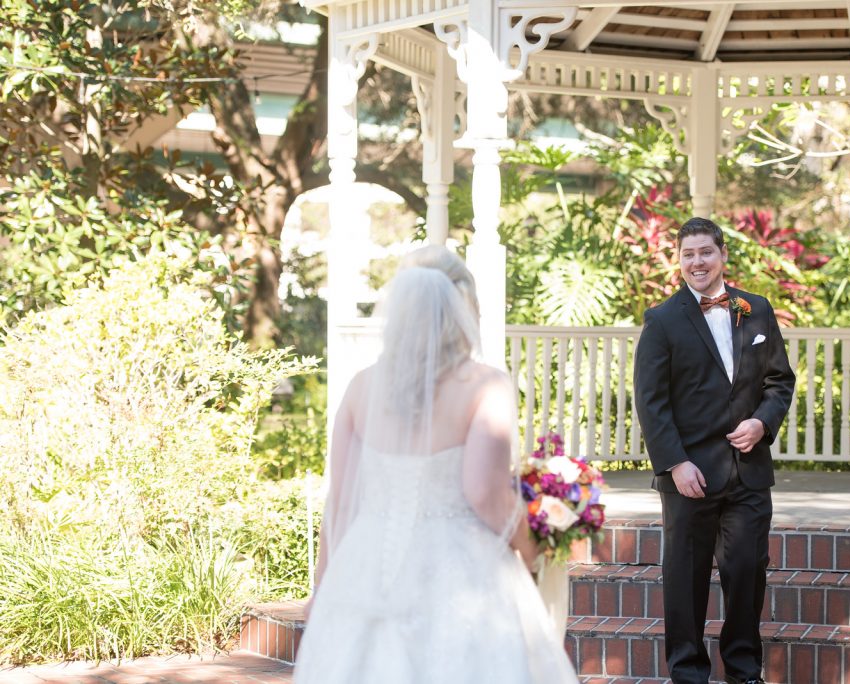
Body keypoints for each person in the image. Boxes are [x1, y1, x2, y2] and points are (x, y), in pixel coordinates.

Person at [294, 258, 578, 683]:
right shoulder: (485, 385)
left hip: (366, 564)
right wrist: (531, 544)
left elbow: (339, 501)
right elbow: (484, 493)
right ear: (462, 314)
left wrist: (323, 587)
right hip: (462, 568)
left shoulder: (361, 387)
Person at [633, 217, 795, 684]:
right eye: (688, 254)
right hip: (689, 476)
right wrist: (675, 462)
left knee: (746, 575)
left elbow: (779, 382)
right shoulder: (661, 320)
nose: (697, 261)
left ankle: (744, 673)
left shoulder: (757, 310)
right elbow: (651, 400)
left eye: (705, 252)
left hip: (748, 474)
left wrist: (762, 422)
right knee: (684, 583)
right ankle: (688, 675)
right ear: (679, 260)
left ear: (723, 254)